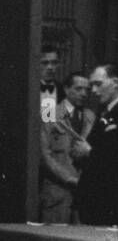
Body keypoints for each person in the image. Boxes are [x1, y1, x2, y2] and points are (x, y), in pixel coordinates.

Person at [75, 65, 118, 226]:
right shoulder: (104, 110)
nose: (93, 90)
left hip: (112, 197)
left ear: (115, 82)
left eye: (98, 84)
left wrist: (90, 152)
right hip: (94, 196)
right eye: (92, 85)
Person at [39, 72, 93, 224]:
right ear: (67, 89)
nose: (83, 93)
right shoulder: (49, 113)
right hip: (57, 190)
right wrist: (68, 178)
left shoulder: (90, 116)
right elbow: (44, 155)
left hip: (82, 192)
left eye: (87, 90)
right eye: (78, 89)